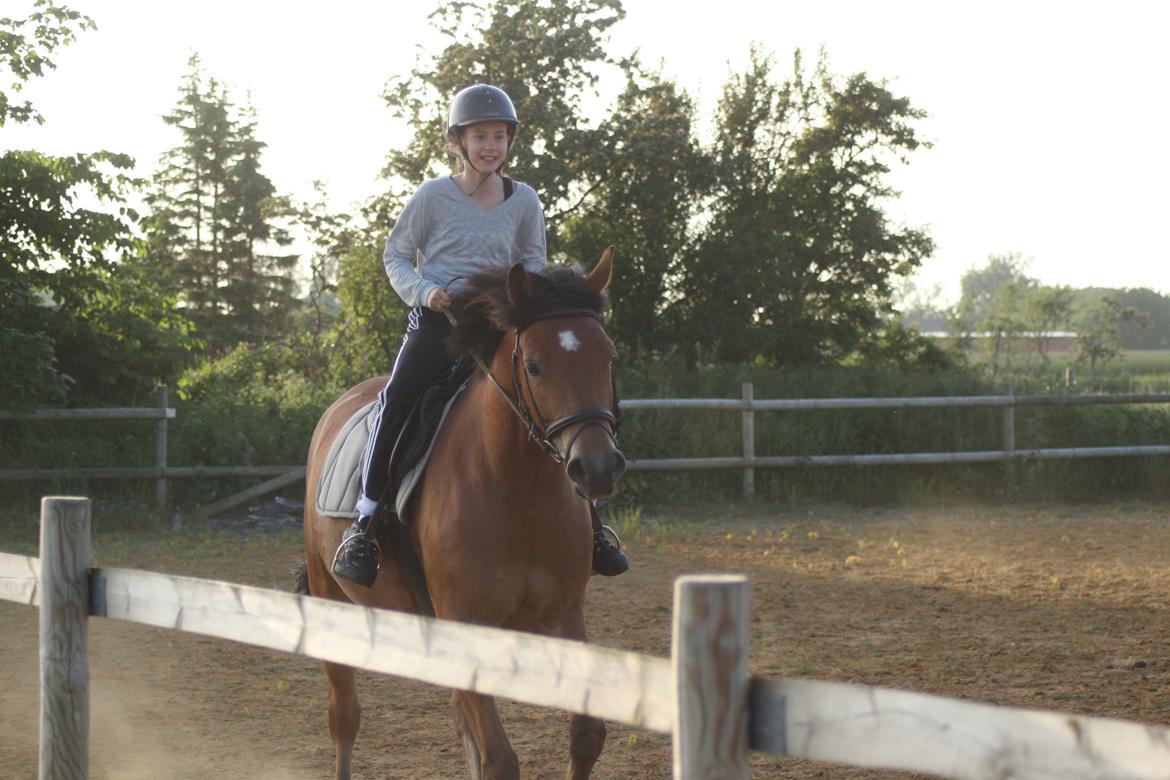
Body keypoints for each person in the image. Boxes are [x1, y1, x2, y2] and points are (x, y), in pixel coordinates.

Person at [332, 83, 629, 587]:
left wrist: (524, 303)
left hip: (502, 323)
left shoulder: (526, 201)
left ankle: (594, 524)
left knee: (560, 400)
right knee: (400, 396)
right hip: (440, 320)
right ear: (457, 142)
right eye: (480, 137)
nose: (491, 146)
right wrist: (424, 292)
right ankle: (364, 521)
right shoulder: (431, 197)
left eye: (499, 136)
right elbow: (396, 256)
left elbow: (532, 262)